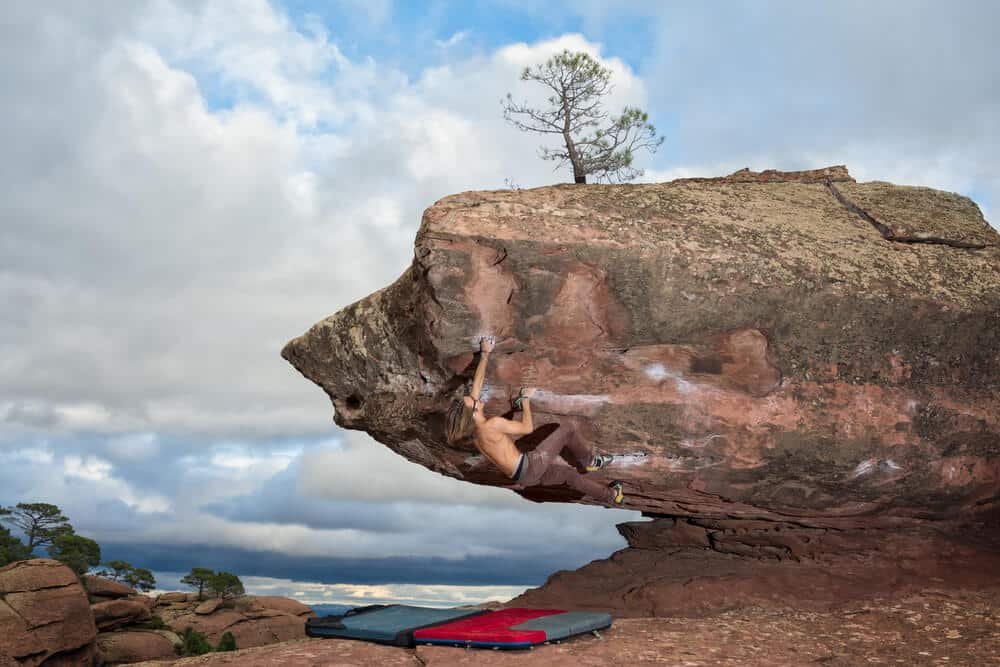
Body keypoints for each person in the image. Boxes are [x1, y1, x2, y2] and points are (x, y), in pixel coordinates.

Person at [445, 337, 624, 505]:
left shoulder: (476, 435)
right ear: (473, 413)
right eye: (475, 401)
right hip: (531, 466)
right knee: (567, 429)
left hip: (523, 478)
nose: (477, 398)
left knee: (570, 476)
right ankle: (591, 462)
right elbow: (527, 428)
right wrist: (525, 401)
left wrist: (485, 354)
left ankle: (612, 496)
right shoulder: (491, 425)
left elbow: (477, 387)